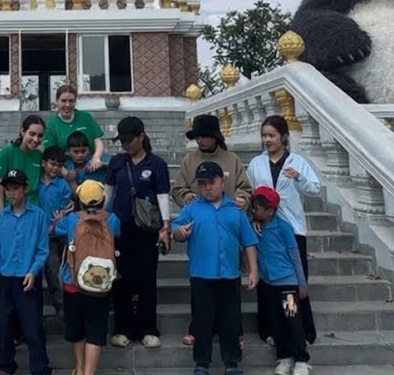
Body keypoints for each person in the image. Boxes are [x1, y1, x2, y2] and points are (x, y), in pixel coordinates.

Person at [172, 114, 252, 348]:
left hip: (227, 225)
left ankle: (235, 331)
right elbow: (178, 187)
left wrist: (242, 199)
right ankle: (198, 329)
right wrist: (186, 196)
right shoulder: (189, 160)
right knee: (201, 288)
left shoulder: (232, 160)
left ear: (215, 136)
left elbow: (246, 188)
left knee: (230, 289)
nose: (200, 141)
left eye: (204, 136)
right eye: (197, 137)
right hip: (201, 228)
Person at [172, 162, 258, 375]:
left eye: (211, 182)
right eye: (202, 184)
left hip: (229, 275)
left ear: (222, 182)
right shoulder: (191, 209)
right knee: (202, 321)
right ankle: (202, 363)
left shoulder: (235, 211)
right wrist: (180, 232)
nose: (207, 188)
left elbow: (248, 242)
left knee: (231, 320)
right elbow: (176, 230)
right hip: (201, 275)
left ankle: (232, 362)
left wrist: (253, 270)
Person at [245, 115, 320, 345]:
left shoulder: (296, 162)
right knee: (267, 283)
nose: (267, 140)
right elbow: (250, 195)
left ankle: (300, 329)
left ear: (284, 137)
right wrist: (252, 218)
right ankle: (269, 329)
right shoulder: (257, 164)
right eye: (264, 136)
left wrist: (299, 179)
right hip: (266, 230)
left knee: (294, 284)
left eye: (271, 135)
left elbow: (314, 189)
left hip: (292, 229)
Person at [104, 116, 171, 349]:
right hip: (120, 227)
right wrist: (101, 218)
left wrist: (166, 225)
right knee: (121, 278)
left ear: (141, 136)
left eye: (129, 140)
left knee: (146, 277)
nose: (125, 145)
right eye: (121, 141)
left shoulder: (156, 164)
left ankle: (148, 328)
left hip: (147, 227)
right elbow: (108, 192)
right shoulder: (117, 162)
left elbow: (162, 195)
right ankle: (123, 328)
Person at [0, 169, 52, 375]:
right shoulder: (1, 217)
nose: (12, 193)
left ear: (25, 189)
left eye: (16, 188)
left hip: (27, 277)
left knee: (32, 326)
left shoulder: (38, 215)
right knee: (5, 324)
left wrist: (33, 271)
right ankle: (5, 365)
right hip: (6, 277)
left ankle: (40, 367)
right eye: (8, 189)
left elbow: (42, 248)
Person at [53, 180, 121, 375]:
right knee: (95, 331)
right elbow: (117, 234)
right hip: (101, 284)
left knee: (76, 330)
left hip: (72, 282)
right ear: (102, 199)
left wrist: (60, 219)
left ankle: (80, 368)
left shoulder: (71, 219)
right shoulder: (112, 219)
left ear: (80, 200)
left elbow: (57, 231)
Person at [251, 186, 310, 375]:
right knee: (276, 322)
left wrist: (301, 283)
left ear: (270, 210)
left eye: (257, 208)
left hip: (287, 285)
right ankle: (283, 357)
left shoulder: (283, 227)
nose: (253, 211)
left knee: (292, 321)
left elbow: (295, 255)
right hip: (268, 285)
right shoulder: (254, 226)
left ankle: (301, 359)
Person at [37, 146, 73, 317]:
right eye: (52, 164)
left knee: (66, 267)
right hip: (44, 235)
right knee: (51, 268)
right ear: (44, 163)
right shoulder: (35, 185)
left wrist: (63, 215)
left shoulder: (62, 185)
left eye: (59, 165)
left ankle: (70, 303)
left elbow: (67, 208)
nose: (55, 168)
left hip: (62, 233)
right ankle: (61, 306)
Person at [43, 84, 105, 172]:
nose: (67, 105)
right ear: (57, 101)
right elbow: (50, 153)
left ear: (75, 102)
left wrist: (96, 158)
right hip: (66, 168)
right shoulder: (50, 125)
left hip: (90, 164)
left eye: (71, 101)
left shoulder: (86, 117)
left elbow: (98, 140)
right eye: (63, 101)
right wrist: (64, 172)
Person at [0, 114, 46, 210]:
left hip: (33, 211)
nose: (36, 139)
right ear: (22, 132)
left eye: (40, 136)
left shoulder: (40, 156)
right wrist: (1, 218)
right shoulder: (6, 153)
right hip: (11, 210)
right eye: (32, 134)